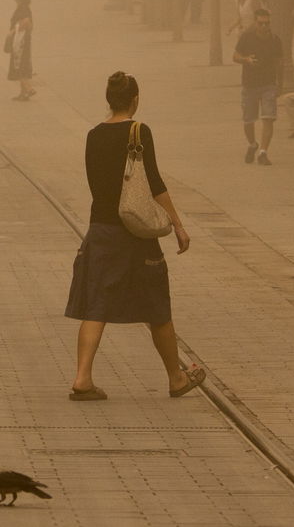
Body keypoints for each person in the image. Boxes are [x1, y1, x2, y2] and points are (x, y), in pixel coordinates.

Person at [65, 71, 202, 402]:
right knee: (157, 307)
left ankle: (82, 379)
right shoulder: (138, 131)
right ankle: (175, 378)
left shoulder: (93, 135)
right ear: (135, 100)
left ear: (108, 99)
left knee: (95, 306)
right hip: (135, 235)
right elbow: (153, 182)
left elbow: (96, 183)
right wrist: (178, 225)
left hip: (101, 230)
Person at [234, 7, 281, 165]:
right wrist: (246, 60)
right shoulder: (246, 37)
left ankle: (263, 152)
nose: (264, 27)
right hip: (250, 84)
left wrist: (279, 84)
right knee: (249, 120)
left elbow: (279, 62)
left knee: (268, 118)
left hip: (269, 84)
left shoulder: (275, 39)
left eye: (267, 23)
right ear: (255, 23)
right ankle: (253, 144)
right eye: (261, 24)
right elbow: (235, 56)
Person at [8, 0, 35, 100]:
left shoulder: (23, 8)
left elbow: (26, 22)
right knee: (21, 65)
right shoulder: (24, 7)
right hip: (22, 40)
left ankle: (29, 89)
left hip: (21, 42)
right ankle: (23, 93)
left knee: (19, 65)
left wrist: (13, 31)